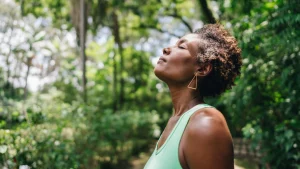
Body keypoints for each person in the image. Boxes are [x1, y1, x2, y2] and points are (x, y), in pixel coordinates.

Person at [144, 24, 242, 169]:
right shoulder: (175, 122)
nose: (166, 49)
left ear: (202, 69)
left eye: (181, 47)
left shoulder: (205, 122)